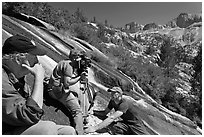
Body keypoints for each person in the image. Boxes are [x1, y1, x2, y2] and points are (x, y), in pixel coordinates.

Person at [2, 34, 76, 135]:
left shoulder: (19, 81)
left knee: (68, 131)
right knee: (47, 129)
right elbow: (30, 114)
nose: (37, 61)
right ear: (18, 59)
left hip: (14, 126)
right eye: (33, 56)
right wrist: (39, 78)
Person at [47, 49, 87, 135]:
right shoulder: (69, 65)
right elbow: (67, 82)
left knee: (74, 95)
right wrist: (80, 77)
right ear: (75, 57)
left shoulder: (64, 62)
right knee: (77, 111)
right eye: (80, 58)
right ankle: (80, 133)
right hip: (57, 92)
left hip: (52, 88)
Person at [84, 86, 149, 135]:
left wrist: (95, 128)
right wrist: (93, 112)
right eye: (111, 92)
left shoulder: (124, 103)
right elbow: (104, 113)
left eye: (113, 93)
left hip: (136, 124)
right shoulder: (112, 101)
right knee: (115, 127)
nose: (111, 94)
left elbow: (112, 117)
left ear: (119, 94)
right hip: (126, 123)